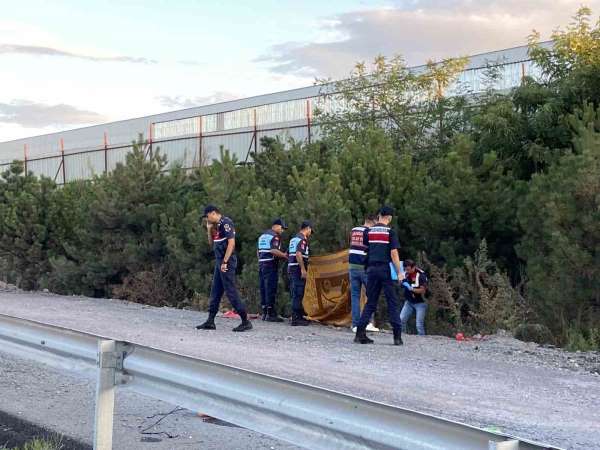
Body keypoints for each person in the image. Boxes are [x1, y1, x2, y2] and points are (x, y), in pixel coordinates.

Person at [196, 205, 252, 332]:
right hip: (219, 262)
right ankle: (210, 321)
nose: (206, 219)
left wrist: (225, 262)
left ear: (213, 213)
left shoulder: (226, 223)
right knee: (215, 291)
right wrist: (209, 230)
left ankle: (245, 321)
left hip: (226, 262)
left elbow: (231, 243)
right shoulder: (217, 226)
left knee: (230, 291)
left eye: (207, 216)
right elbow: (211, 243)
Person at [354, 206, 403, 345]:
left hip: (371, 270)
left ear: (379, 216)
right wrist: (399, 272)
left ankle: (360, 333)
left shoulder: (368, 232)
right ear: (390, 218)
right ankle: (397, 337)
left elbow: (367, 250)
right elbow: (394, 253)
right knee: (392, 302)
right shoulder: (390, 232)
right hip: (384, 269)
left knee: (371, 302)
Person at [348, 214, 379, 333]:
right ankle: (368, 323)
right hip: (364, 267)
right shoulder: (370, 232)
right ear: (373, 221)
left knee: (355, 296)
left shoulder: (354, 230)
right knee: (371, 295)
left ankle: (355, 325)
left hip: (352, 266)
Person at [257, 218, 288, 322]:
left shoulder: (262, 236)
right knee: (270, 288)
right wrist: (284, 255)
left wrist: (260, 261)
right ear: (276, 226)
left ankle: (264, 312)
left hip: (262, 263)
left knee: (263, 288)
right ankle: (271, 314)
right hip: (270, 264)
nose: (282, 230)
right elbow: (273, 250)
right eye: (282, 228)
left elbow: (258, 251)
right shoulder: (275, 236)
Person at [287, 221, 313, 326]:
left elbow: (287, 253)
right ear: (308, 228)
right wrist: (303, 269)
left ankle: (297, 315)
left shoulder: (293, 239)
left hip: (291, 268)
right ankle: (296, 319)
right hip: (297, 270)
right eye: (311, 230)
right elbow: (298, 254)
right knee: (298, 293)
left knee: (295, 293)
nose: (310, 233)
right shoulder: (302, 239)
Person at [400, 259, 428, 335]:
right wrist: (402, 282)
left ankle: (422, 341)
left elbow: (423, 290)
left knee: (419, 325)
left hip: (420, 302)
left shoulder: (421, 275)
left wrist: (411, 289)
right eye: (405, 269)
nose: (407, 271)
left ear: (414, 267)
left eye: (408, 269)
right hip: (409, 301)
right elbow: (401, 283)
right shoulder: (405, 273)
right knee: (401, 320)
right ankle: (402, 336)